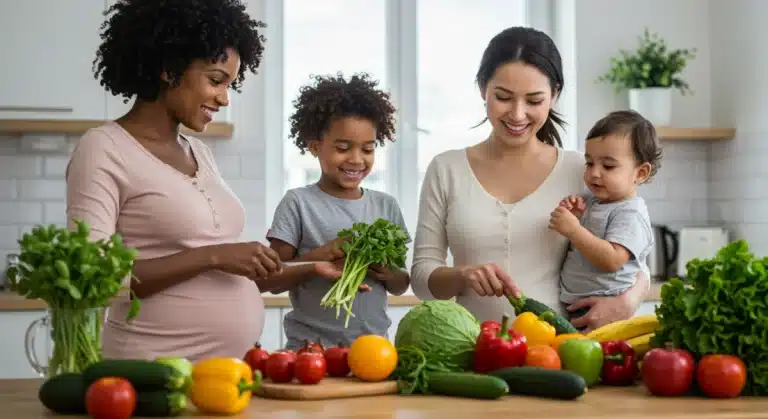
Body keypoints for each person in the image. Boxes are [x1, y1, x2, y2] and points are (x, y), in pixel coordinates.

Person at [66, 0, 332, 362]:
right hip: (153, 371)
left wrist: (313, 263)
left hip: (228, 373)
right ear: (169, 68)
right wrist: (215, 255)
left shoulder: (199, 152)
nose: (224, 98)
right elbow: (91, 279)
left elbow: (222, 269)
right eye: (215, 80)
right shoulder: (104, 148)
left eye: (230, 85)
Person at [410, 26, 650, 332]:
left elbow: (634, 260)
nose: (517, 114)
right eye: (503, 97)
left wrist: (627, 302)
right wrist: (462, 276)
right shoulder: (446, 169)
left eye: (534, 101)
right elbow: (422, 278)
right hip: (471, 347)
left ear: (554, 95)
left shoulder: (584, 170)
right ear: (483, 89)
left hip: (557, 348)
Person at [266, 73, 410, 350]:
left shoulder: (386, 205)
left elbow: (401, 284)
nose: (356, 159)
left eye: (368, 149)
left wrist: (386, 271)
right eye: (343, 148)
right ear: (315, 146)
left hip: (372, 350)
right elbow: (272, 280)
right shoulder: (297, 203)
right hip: (310, 350)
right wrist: (321, 256)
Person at [550, 110, 661, 327]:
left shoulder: (630, 213)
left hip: (604, 308)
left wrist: (574, 230)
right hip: (576, 306)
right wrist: (576, 215)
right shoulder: (594, 201)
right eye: (589, 163)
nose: (594, 173)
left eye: (608, 166)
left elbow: (612, 260)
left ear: (640, 173)